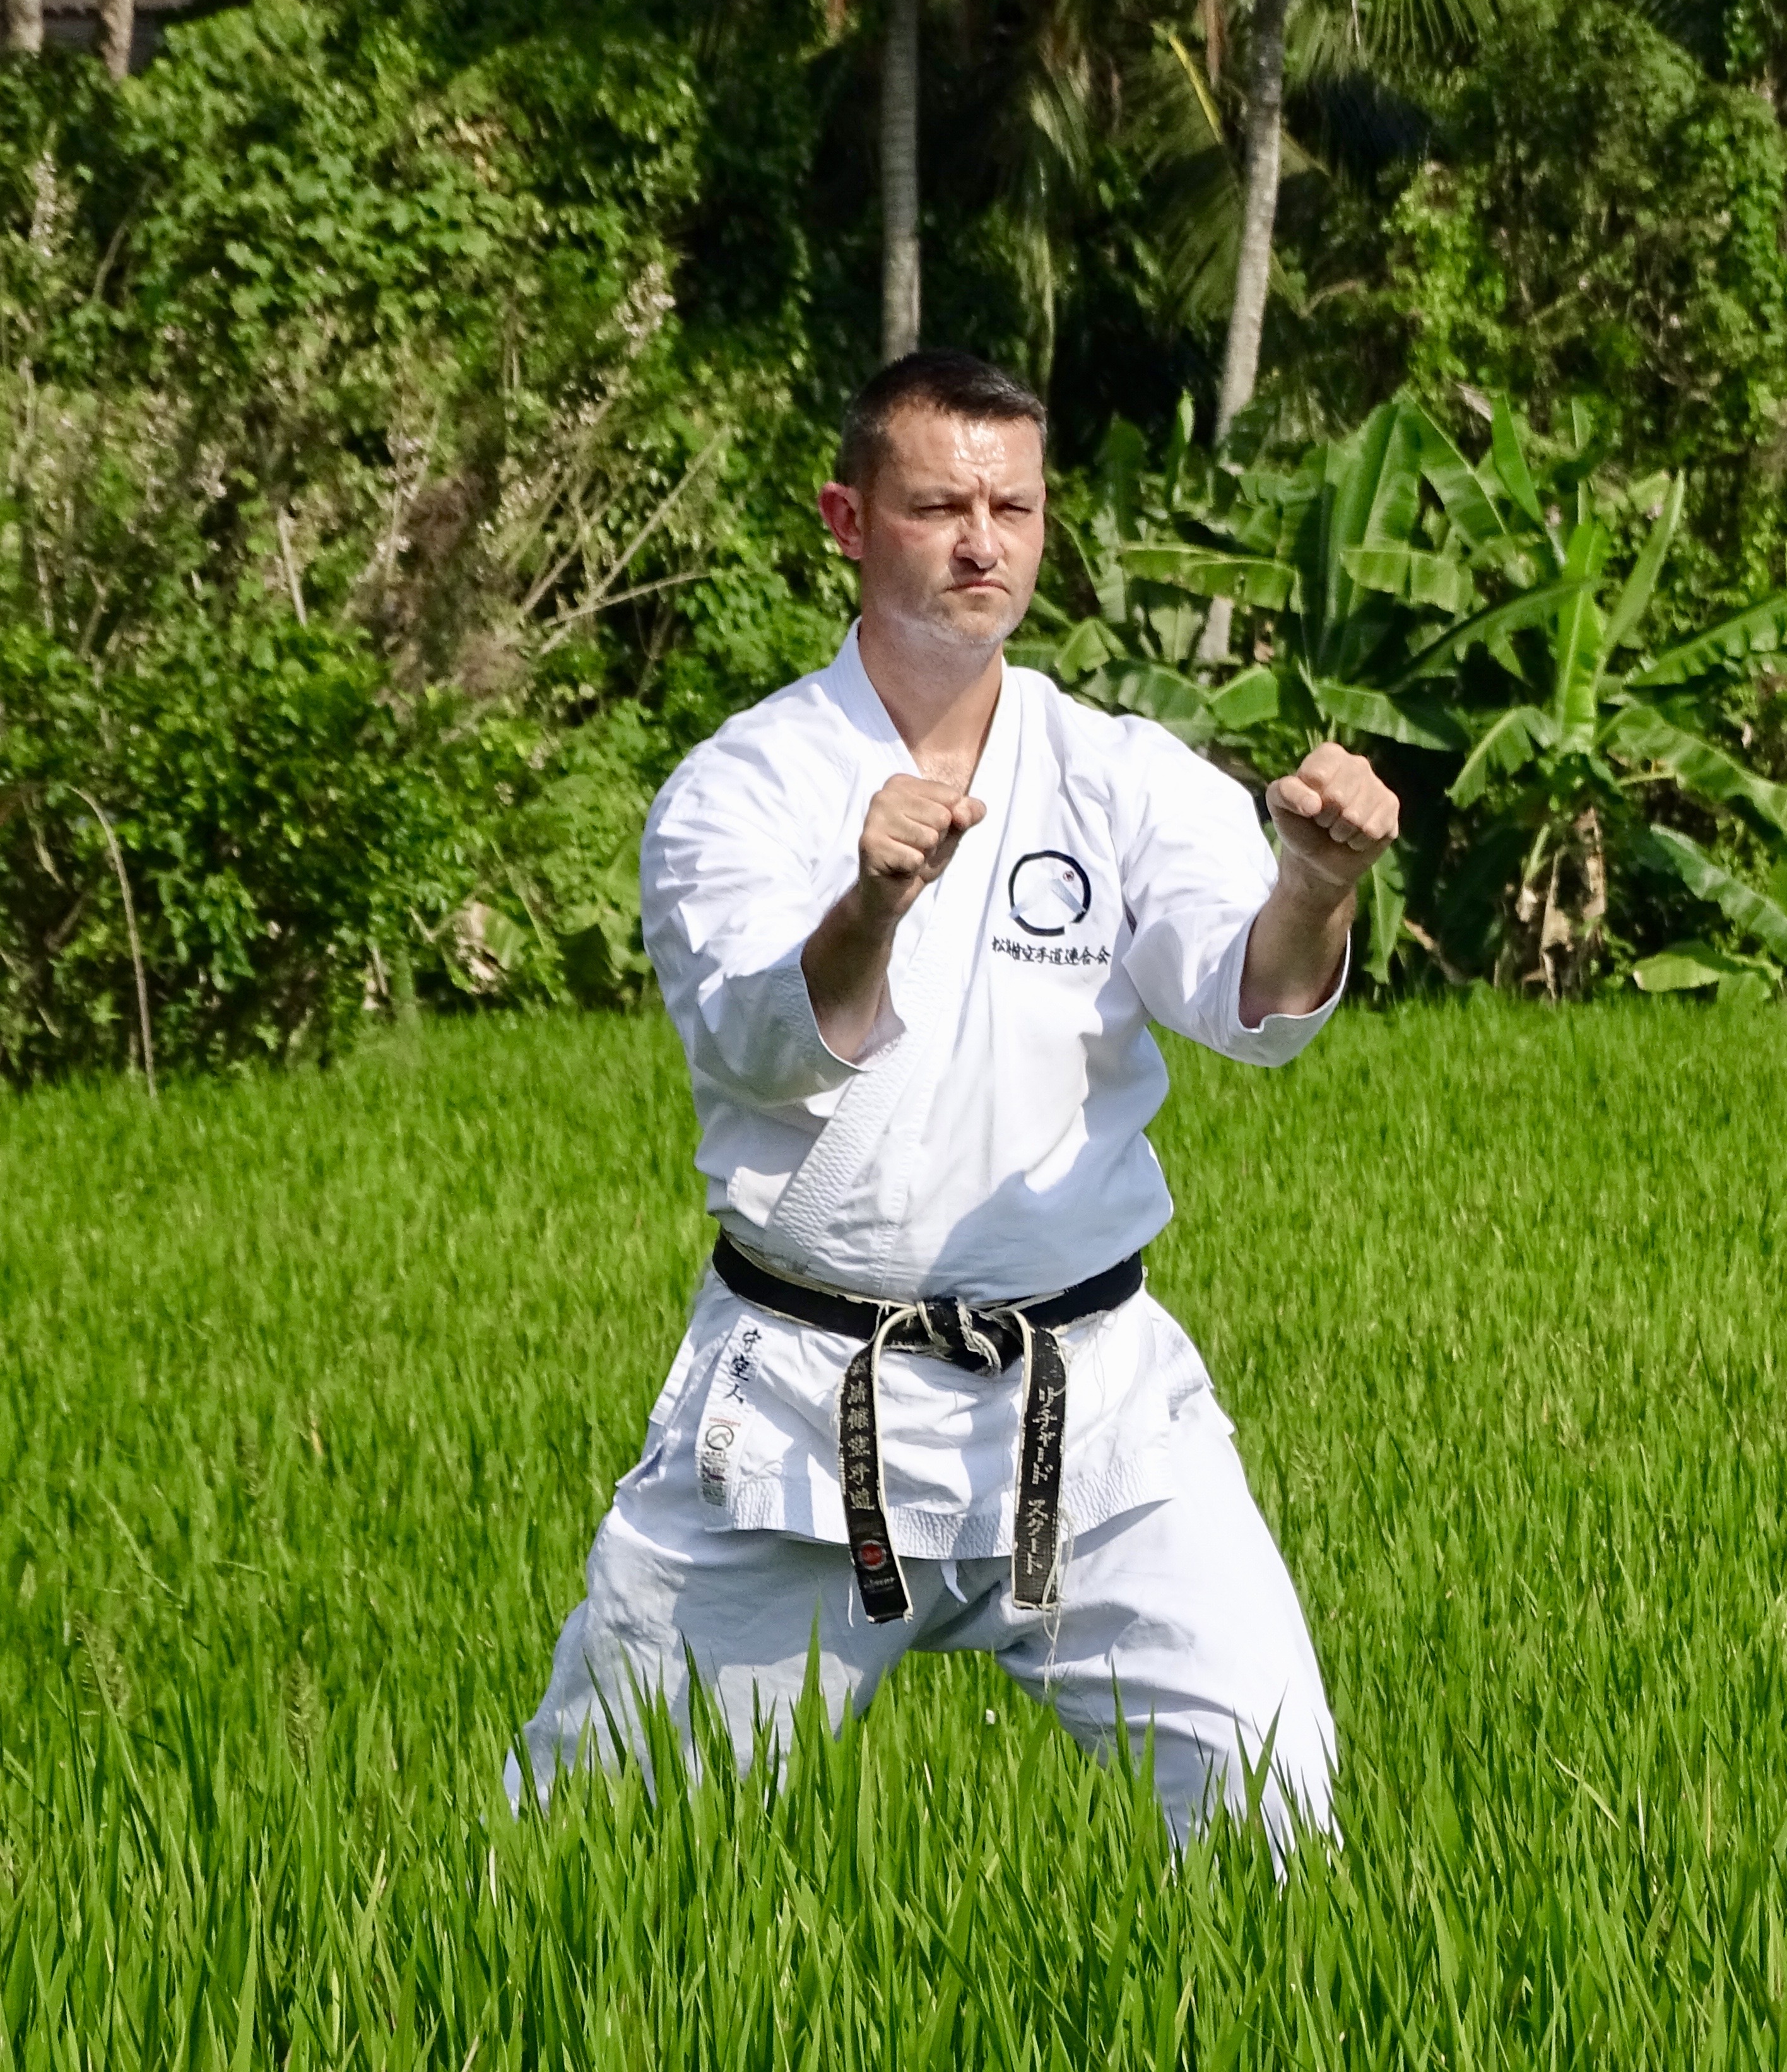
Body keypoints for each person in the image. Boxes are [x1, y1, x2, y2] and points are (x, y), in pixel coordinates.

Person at [510, 349, 1396, 1845]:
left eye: (1015, 506)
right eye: (939, 506)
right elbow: (760, 1048)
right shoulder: (746, 786)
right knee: (593, 1873)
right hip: (801, 1417)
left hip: (1095, 1413)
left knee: (1281, 1831)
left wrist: (1314, 884)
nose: (984, 541)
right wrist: (873, 902)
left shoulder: (1119, 774)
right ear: (849, 522)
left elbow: (1246, 1001)